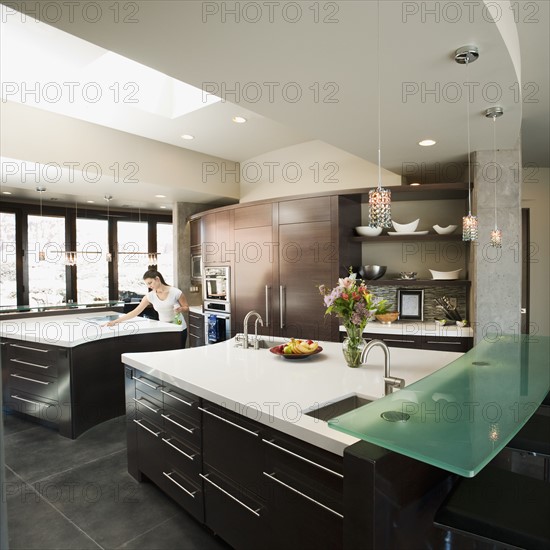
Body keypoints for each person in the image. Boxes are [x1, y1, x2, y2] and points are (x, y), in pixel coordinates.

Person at [106, 269, 189, 347]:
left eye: (150, 283)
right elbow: (135, 312)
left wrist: (181, 309)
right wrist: (116, 321)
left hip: (179, 329)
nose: (149, 286)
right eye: (147, 284)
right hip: (164, 329)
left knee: (179, 354)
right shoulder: (150, 296)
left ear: (157, 279)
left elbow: (186, 308)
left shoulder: (176, 292)